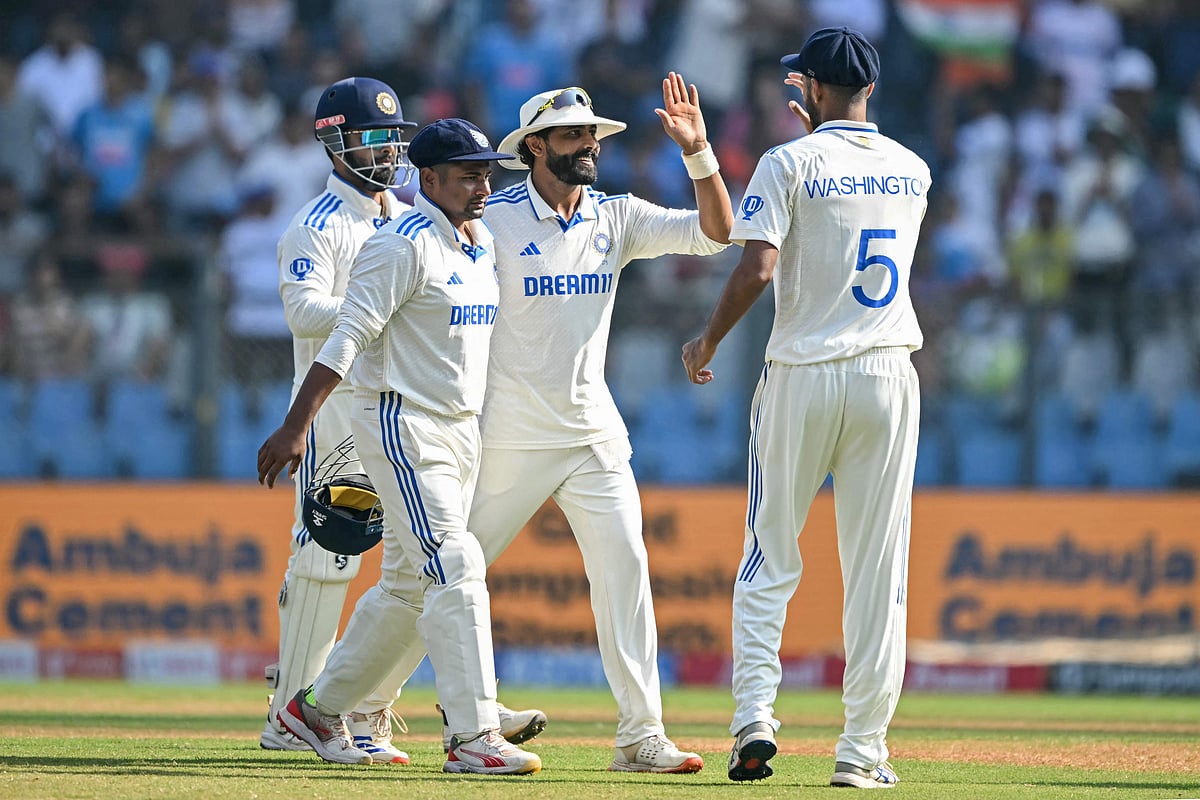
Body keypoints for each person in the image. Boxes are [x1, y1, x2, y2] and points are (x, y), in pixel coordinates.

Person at [259, 79, 543, 765]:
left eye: (487, 175)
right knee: (448, 564)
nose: (484, 188)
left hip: (458, 427)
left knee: (407, 583)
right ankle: (472, 732)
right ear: (434, 178)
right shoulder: (392, 241)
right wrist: (296, 425)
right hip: (393, 421)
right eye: (471, 176)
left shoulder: (475, 242)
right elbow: (341, 330)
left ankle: (321, 710)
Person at [681, 27, 930, 788]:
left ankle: (755, 716)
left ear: (814, 90)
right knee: (878, 573)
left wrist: (708, 339)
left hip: (802, 373)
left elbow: (758, 268)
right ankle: (861, 754)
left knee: (768, 557)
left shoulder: (789, 160)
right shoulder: (914, 169)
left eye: (802, 84)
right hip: (888, 374)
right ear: (872, 91)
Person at [467, 72, 733, 773]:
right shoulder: (492, 219)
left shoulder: (613, 216)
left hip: (592, 436)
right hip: (509, 434)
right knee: (445, 572)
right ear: (532, 148)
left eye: (590, 133)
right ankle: (366, 705)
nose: (587, 143)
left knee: (626, 570)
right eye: (570, 135)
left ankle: (641, 737)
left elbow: (717, 234)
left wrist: (698, 152)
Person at [257, 75, 416, 761]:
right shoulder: (315, 225)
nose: (383, 151)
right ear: (334, 142)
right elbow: (302, 311)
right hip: (335, 409)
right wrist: (379, 311)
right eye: (369, 138)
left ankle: (362, 713)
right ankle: (288, 718)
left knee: (420, 562)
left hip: (402, 406)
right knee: (328, 555)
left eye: (391, 138)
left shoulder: (408, 216)